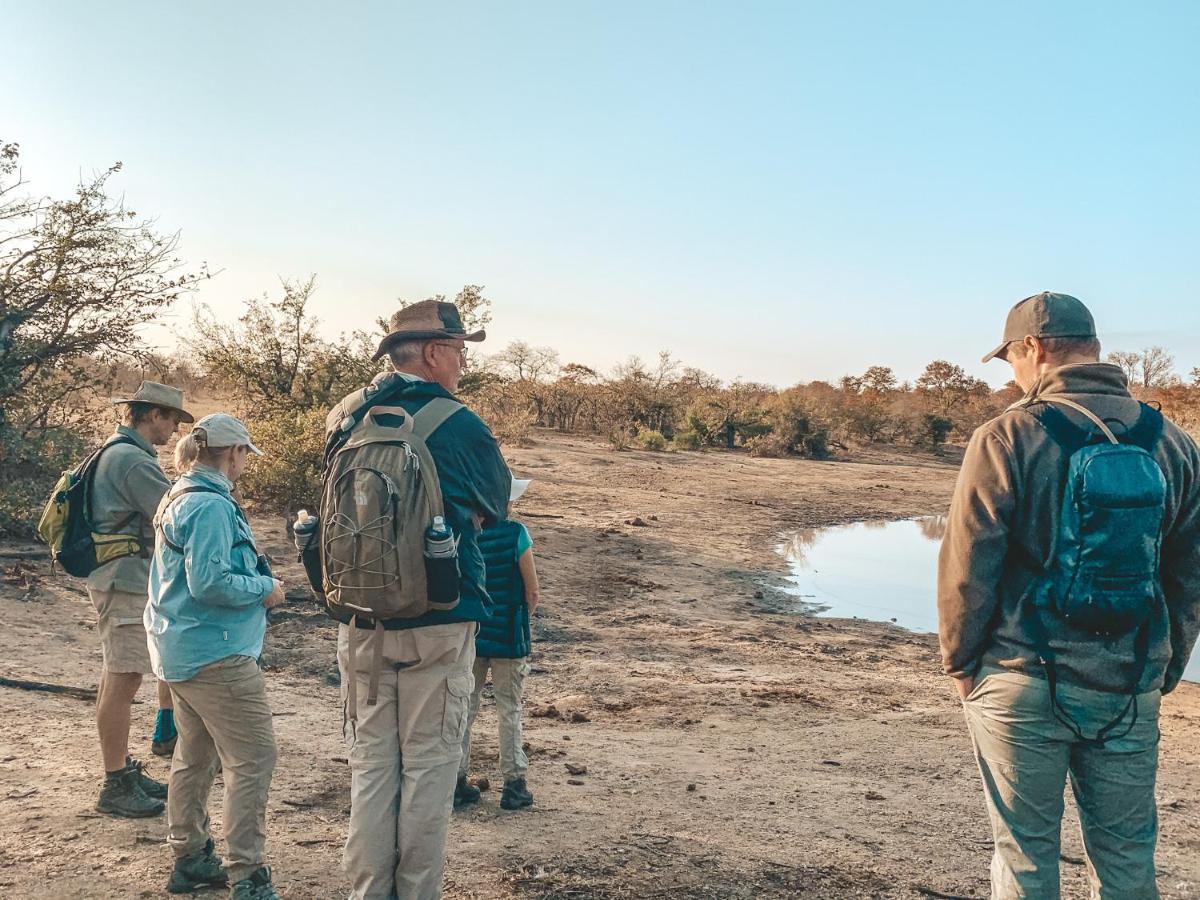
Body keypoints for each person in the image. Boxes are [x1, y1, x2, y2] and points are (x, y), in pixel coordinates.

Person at [938, 292, 1200, 899]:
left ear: (1033, 348)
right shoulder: (1175, 443)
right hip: (1131, 681)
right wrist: (1164, 667)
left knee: (1026, 853)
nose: (1013, 376)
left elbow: (966, 567)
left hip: (1020, 675)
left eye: (1011, 361)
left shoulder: (1007, 437)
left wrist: (960, 664)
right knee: (1129, 855)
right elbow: (1187, 578)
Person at [329, 298, 511, 900]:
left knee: (372, 773)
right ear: (434, 352)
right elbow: (494, 509)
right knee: (430, 774)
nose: (462, 363)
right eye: (459, 351)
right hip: (442, 617)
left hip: (360, 620)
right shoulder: (459, 423)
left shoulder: (343, 417)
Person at [146, 413, 286, 900]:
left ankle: (189, 856)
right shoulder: (210, 506)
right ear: (233, 453)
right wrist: (265, 587)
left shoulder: (178, 493)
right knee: (253, 758)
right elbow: (210, 583)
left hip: (181, 648)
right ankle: (248, 874)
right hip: (217, 651)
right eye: (245, 454)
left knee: (195, 754)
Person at [90, 381, 193, 818]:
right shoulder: (132, 461)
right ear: (152, 414)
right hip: (125, 580)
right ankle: (115, 782)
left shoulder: (118, 451)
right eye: (171, 419)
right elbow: (173, 514)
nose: (173, 429)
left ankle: (122, 772)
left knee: (117, 677)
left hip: (119, 577)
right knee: (124, 679)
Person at [456, 477, 541, 811]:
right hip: (508, 635)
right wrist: (521, 614)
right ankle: (514, 784)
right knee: (509, 709)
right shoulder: (517, 533)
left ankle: (456, 780)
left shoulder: (468, 530)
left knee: (466, 707)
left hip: (473, 633)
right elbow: (532, 590)